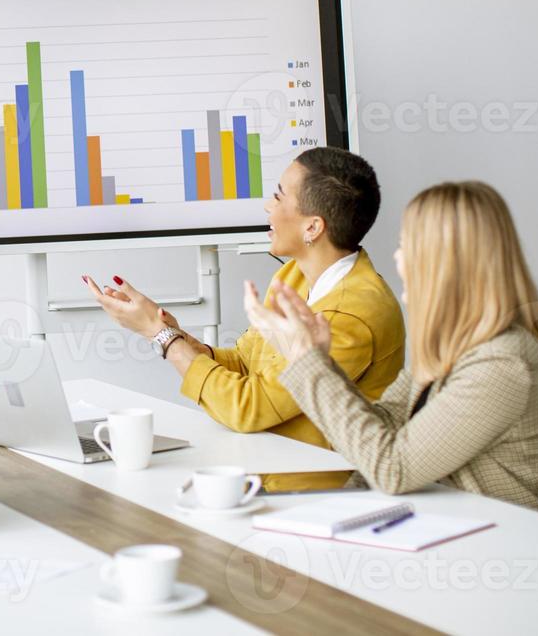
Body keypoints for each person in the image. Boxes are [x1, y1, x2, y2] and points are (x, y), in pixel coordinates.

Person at [245, 181, 538, 523]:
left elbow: (392, 469)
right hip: (462, 534)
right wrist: (314, 359)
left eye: (407, 246)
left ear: (447, 264)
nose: (397, 259)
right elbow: (380, 430)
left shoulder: (503, 362)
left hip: (524, 548)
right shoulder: (449, 348)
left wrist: (308, 364)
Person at [84, 147, 405, 490]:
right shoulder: (295, 276)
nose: (269, 206)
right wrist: (172, 334)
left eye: (279, 196)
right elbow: (245, 362)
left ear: (313, 227)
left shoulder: (349, 317)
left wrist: (161, 337)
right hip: (262, 465)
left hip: (310, 491)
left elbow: (248, 407)